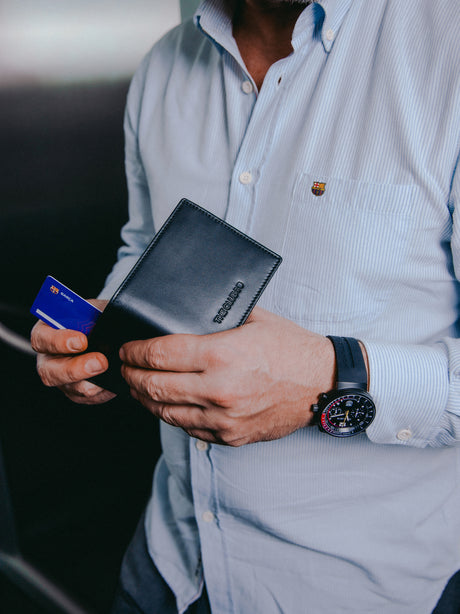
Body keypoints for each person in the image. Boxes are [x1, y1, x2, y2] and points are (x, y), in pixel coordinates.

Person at [31, 0, 460, 612]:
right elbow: (142, 247)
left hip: (367, 587)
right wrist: (105, 340)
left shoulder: (447, 49)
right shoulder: (164, 67)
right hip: (170, 568)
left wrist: (328, 379)